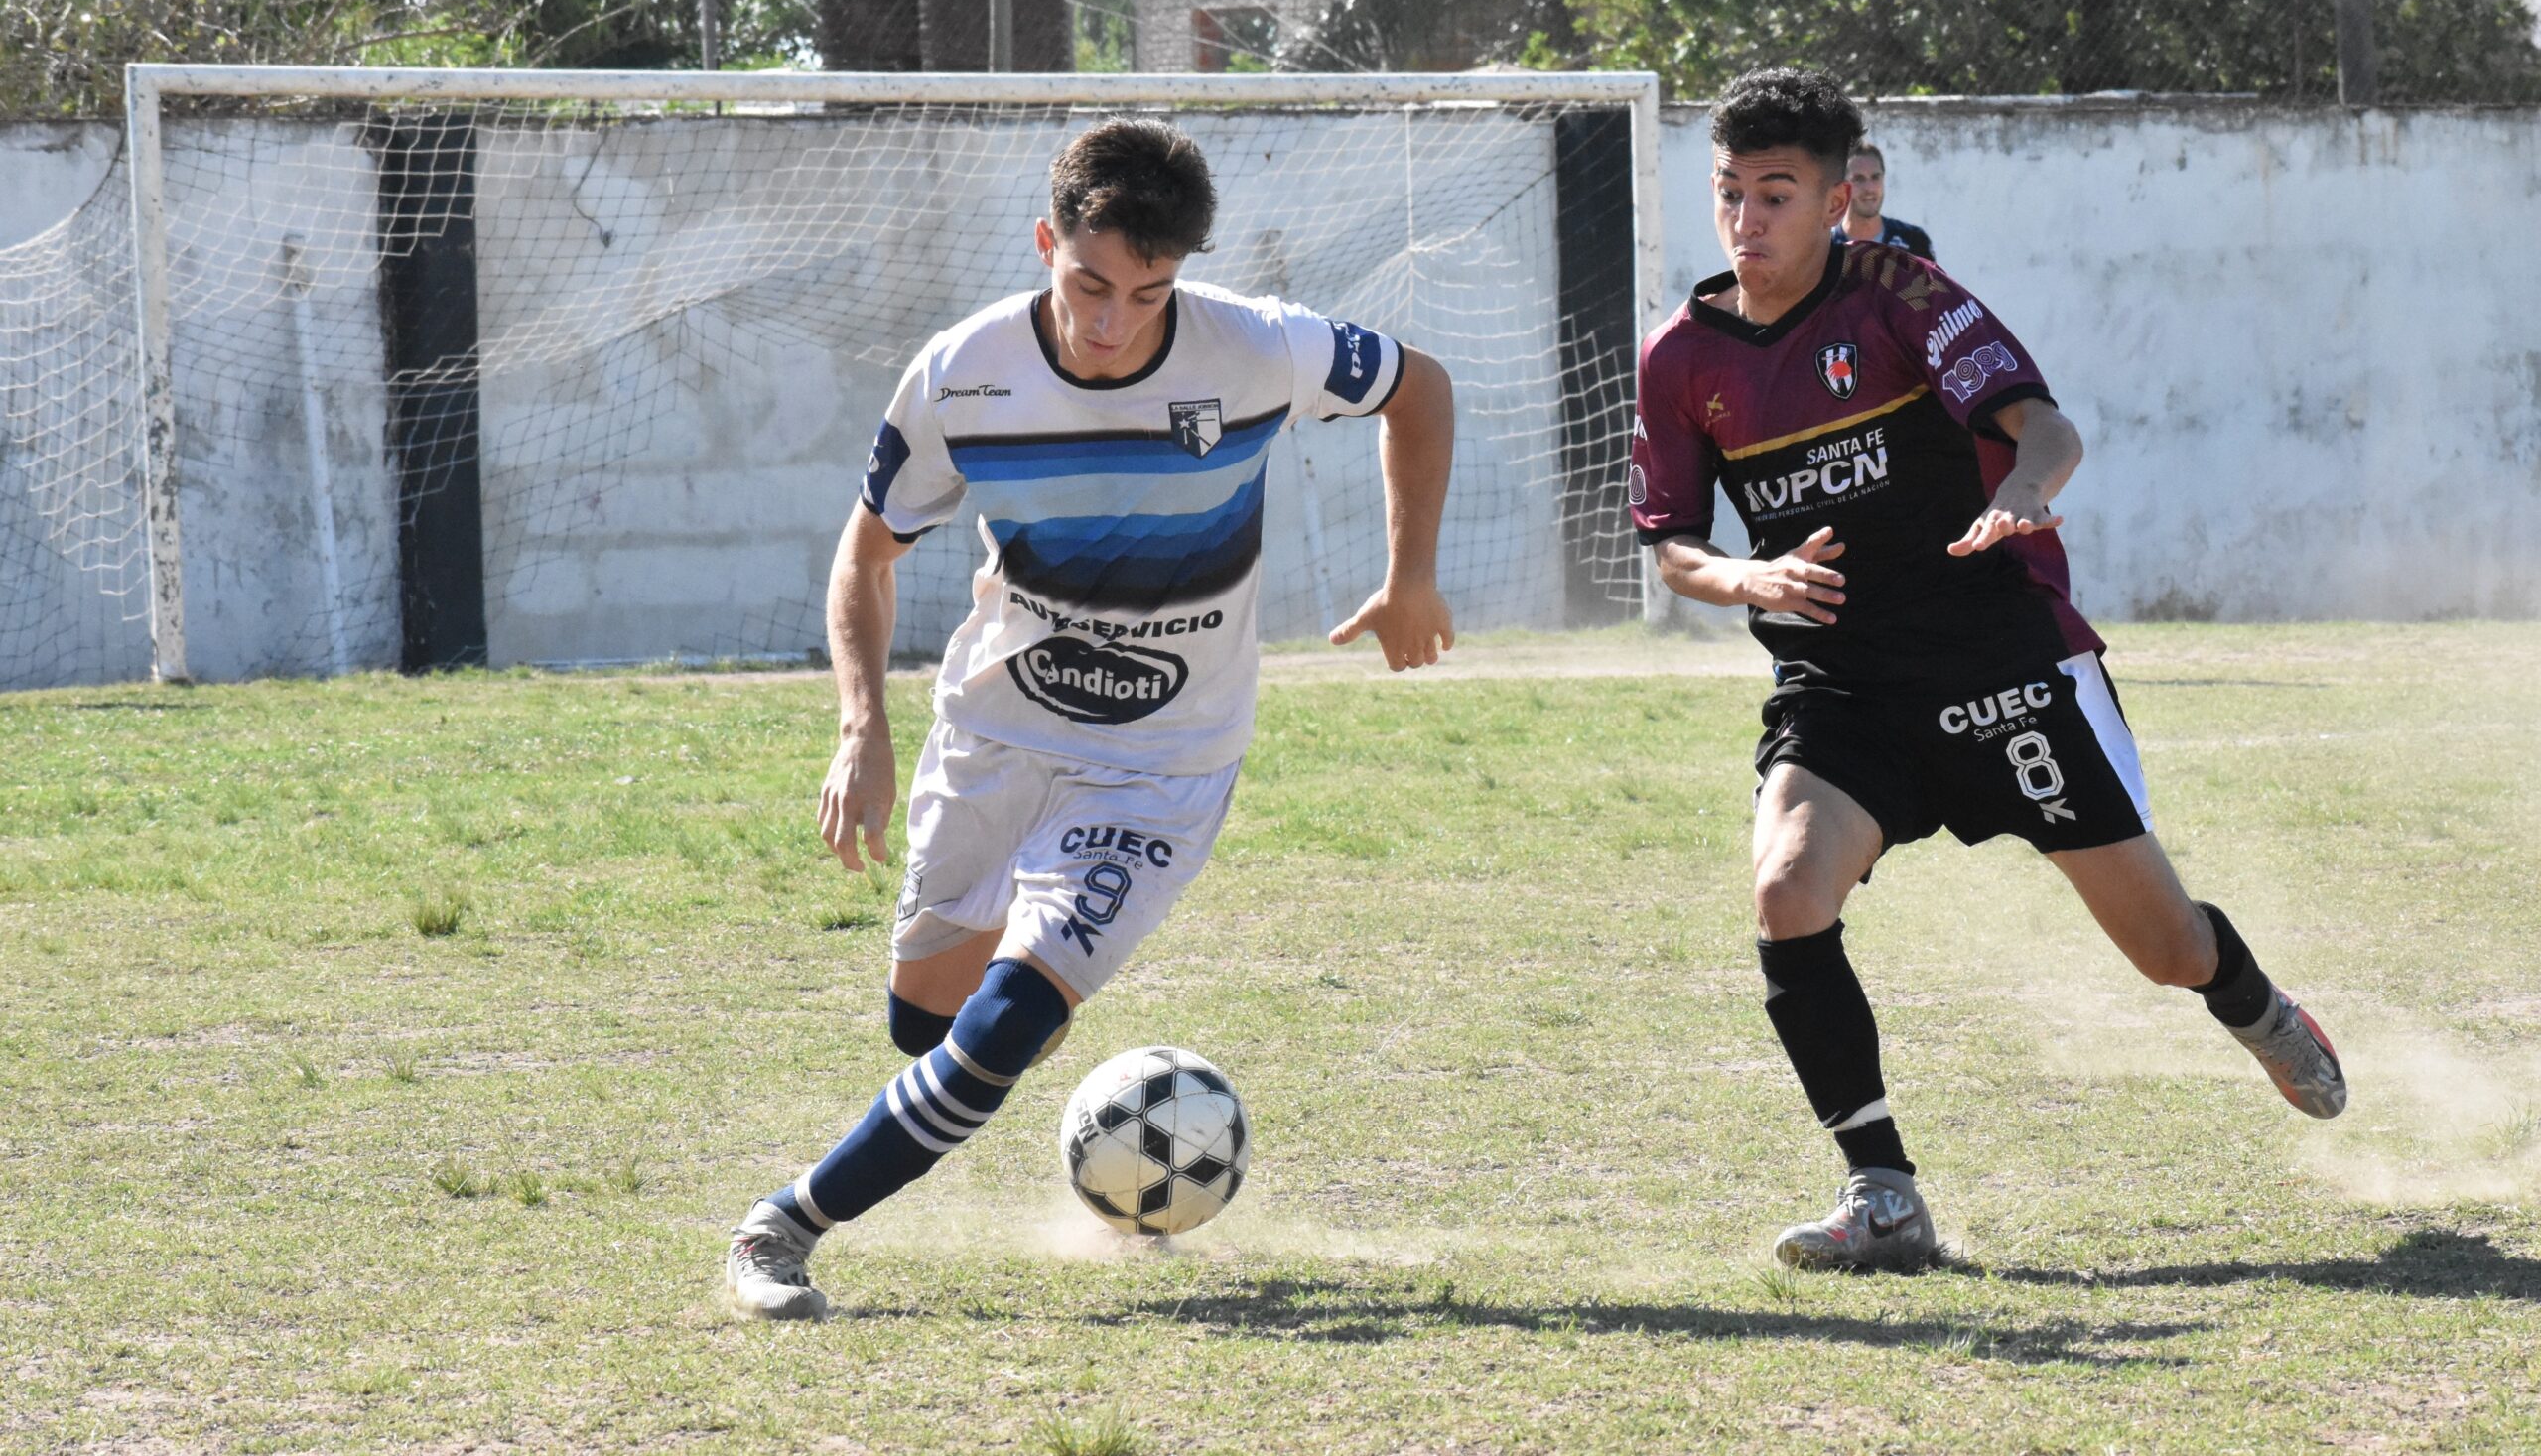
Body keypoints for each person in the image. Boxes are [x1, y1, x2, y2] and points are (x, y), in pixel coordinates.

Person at [723, 117, 1457, 1320]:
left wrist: (1409, 573)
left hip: (1164, 764)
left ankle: (781, 1225)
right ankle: (1030, 1011)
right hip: (997, 731)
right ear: (1044, 243)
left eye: (1148, 294)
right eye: (1089, 286)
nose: (1114, 322)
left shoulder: (1260, 346)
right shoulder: (962, 373)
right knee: (925, 1022)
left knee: (1000, 1027)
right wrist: (863, 725)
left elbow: (1418, 387)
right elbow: (865, 554)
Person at [1632, 67, 2344, 1273]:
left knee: (2165, 949)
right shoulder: (1680, 356)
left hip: (1996, 661)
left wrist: (2021, 486)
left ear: (1835, 198)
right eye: (1729, 191)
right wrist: (1745, 578)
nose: (1746, 219)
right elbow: (1673, 548)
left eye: (1775, 193)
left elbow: (2047, 425)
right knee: (1785, 891)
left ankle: (2254, 1004)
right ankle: (1883, 1194)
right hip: (1842, 685)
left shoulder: (1901, 296)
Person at [1833, 141, 1934, 259]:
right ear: (1843, 186)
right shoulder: (1827, 248)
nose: (1869, 188)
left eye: (1875, 177)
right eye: (1859, 179)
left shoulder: (1913, 241)